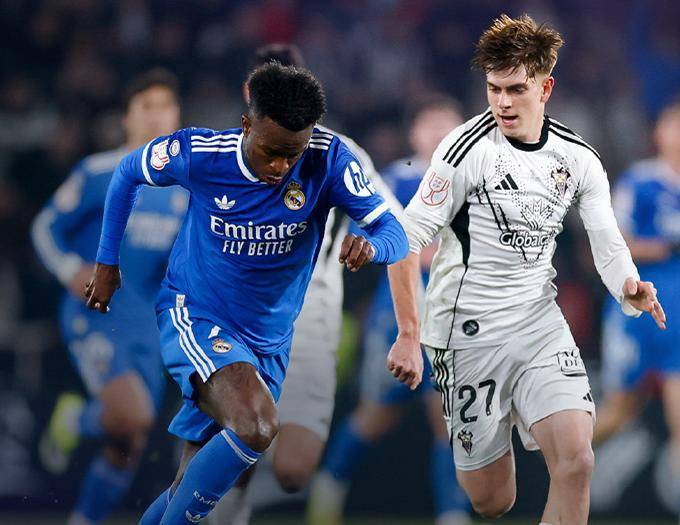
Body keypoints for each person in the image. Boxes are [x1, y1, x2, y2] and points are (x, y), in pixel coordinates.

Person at [85, 62, 409, 525]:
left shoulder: (330, 159)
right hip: (197, 314)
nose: (281, 167)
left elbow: (395, 232)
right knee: (257, 426)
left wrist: (373, 247)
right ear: (246, 124)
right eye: (271, 151)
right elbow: (127, 173)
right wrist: (106, 262)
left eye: (292, 154)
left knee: (188, 483)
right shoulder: (200, 153)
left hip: (269, 341)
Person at [386, 14, 666, 525]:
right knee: (492, 501)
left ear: (546, 88)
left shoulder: (578, 157)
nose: (503, 102)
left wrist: (628, 284)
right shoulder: (464, 150)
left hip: (539, 324)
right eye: (494, 89)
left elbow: (606, 239)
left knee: (578, 460)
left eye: (516, 89)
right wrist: (408, 334)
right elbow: (402, 241)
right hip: (467, 334)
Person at [209, 43, 403, 525]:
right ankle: (218, 497)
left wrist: (372, 242)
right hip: (237, 316)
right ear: (250, 94)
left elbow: (394, 225)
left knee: (294, 470)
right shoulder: (218, 153)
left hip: (312, 317)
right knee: (242, 442)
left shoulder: (339, 153)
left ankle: (219, 471)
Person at [31, 69, 186, 525]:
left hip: (148, 325)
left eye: (165, 106)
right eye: (146, 106)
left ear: (177, 117)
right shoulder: (99, 172)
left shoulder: (186, 189)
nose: (156, 116)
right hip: (95, 312)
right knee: (132, 416)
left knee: (128, 443)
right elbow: (45, 226)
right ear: (126, 118)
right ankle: (73, 419)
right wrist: (68, 269)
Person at [307, 99, 471, 525]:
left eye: (447, 124)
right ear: (413, 133)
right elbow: (373, 240)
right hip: (397, 317)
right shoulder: (397, 179)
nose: (438, 132)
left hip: (456, 319)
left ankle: (453, 514)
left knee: (449, 420)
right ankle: (325, 496)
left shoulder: (476, 180)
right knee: (375, 417)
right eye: (429, 123)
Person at [594, 100, 680, 515]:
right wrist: (665, 247)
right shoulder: (640, 181)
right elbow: (613, 241)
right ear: (658, 133)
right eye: (674, 124)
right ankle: (555, 456)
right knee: (618, 413)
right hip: (639, 316)